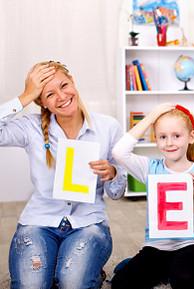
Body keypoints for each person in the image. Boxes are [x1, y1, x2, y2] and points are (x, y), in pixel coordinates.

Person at [2, 61, 127, 289]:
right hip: (38, 222)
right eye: (50, 94)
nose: (61, 96)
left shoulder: (108, 127)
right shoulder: (31, 128)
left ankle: (86, 271)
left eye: (64, 85)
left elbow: (117, 193)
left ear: (73, 83)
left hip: (88, 224)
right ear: (42, 102)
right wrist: (24, 96)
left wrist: (112, 173)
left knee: (72, 283)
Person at [111, 103, 194, 289]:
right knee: (121, 283)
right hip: (156, 246)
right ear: (155, 139)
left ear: (191, 137)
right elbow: (119, 152)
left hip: (192, 244)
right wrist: (150, 118)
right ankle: (154, 268)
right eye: (162, 137)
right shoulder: (150, 169)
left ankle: (169, 271)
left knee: (184, 279)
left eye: (176, 136)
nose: (169, 142)